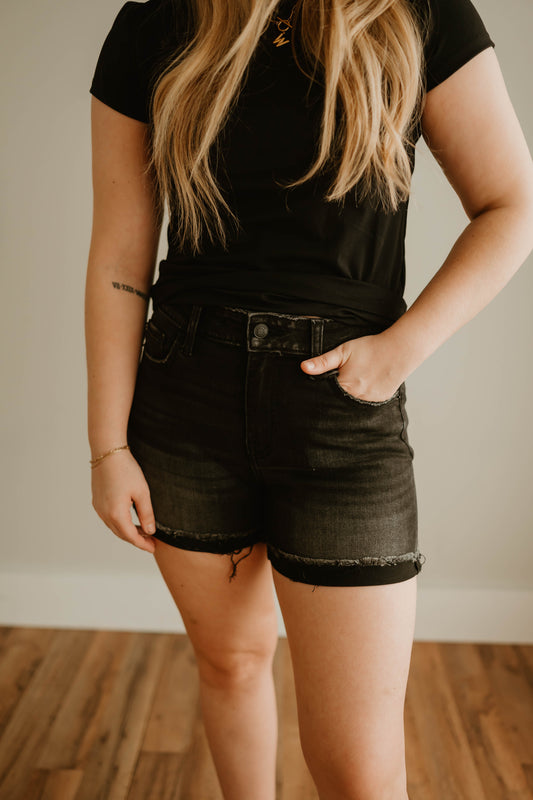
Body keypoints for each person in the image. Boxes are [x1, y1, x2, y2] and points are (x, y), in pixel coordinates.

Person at [86, 0, 533, 797]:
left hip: (340, 420)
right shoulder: (157, 19)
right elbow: (120, 252)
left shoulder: (418, 13)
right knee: (230, 664)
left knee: (359, 771)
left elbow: (511, 204)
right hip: (185, 402)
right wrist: (106, 447)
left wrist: (402, 349)